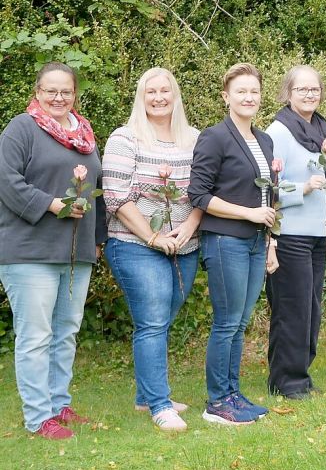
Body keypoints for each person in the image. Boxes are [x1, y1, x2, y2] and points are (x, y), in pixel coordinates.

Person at [0, 62, 106, 440]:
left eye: (66, 91)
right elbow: (6, 181)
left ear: (75, 94)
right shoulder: (21, 129)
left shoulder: (85, 135)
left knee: (65, 332)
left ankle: (59, 404)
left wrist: (97, 239)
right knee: (36, 336)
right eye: (51, 91)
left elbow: (97, 190)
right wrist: (52, 205)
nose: (59, 98)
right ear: (37, 92)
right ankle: (38, 416)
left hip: (76, 252)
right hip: (30, 251)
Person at [102, 68, 202, 431]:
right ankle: (160, 405)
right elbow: (116, 196)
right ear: (141, 97)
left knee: (161, 318)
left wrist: (188, 228)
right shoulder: (125, 138)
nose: (159, 98)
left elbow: (206, 190)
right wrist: (153, 237)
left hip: (184, 245)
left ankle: (146, 397)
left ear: (176, 95)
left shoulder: (195, 138)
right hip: (134, 244)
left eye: (165, 91)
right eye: (151, 92)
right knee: (153, 321)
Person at [189, 63, 276, 425]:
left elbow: (269, 196)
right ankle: (217, 402)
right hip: (226, 241)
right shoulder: (214, 137)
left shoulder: (264, 140)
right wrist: (248, 214)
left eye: (254, 91)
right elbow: (198, 194)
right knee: (226, 323)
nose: (248, 97)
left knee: (239, 323)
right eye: (241, 91)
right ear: (226, 96)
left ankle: (233, 395)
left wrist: (270, 241)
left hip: (256, 242)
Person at [264, 65, 326, 399]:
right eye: (302, 89)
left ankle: (300, 375)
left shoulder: (322, 129)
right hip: (289, 235)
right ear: (288, 93)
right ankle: (286, 381)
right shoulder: (278, 132)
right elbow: (265, 188)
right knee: (292, 310)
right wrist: (303, 188)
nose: (310, 95)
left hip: (316, 237)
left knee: (310, 310)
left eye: (314, 89)